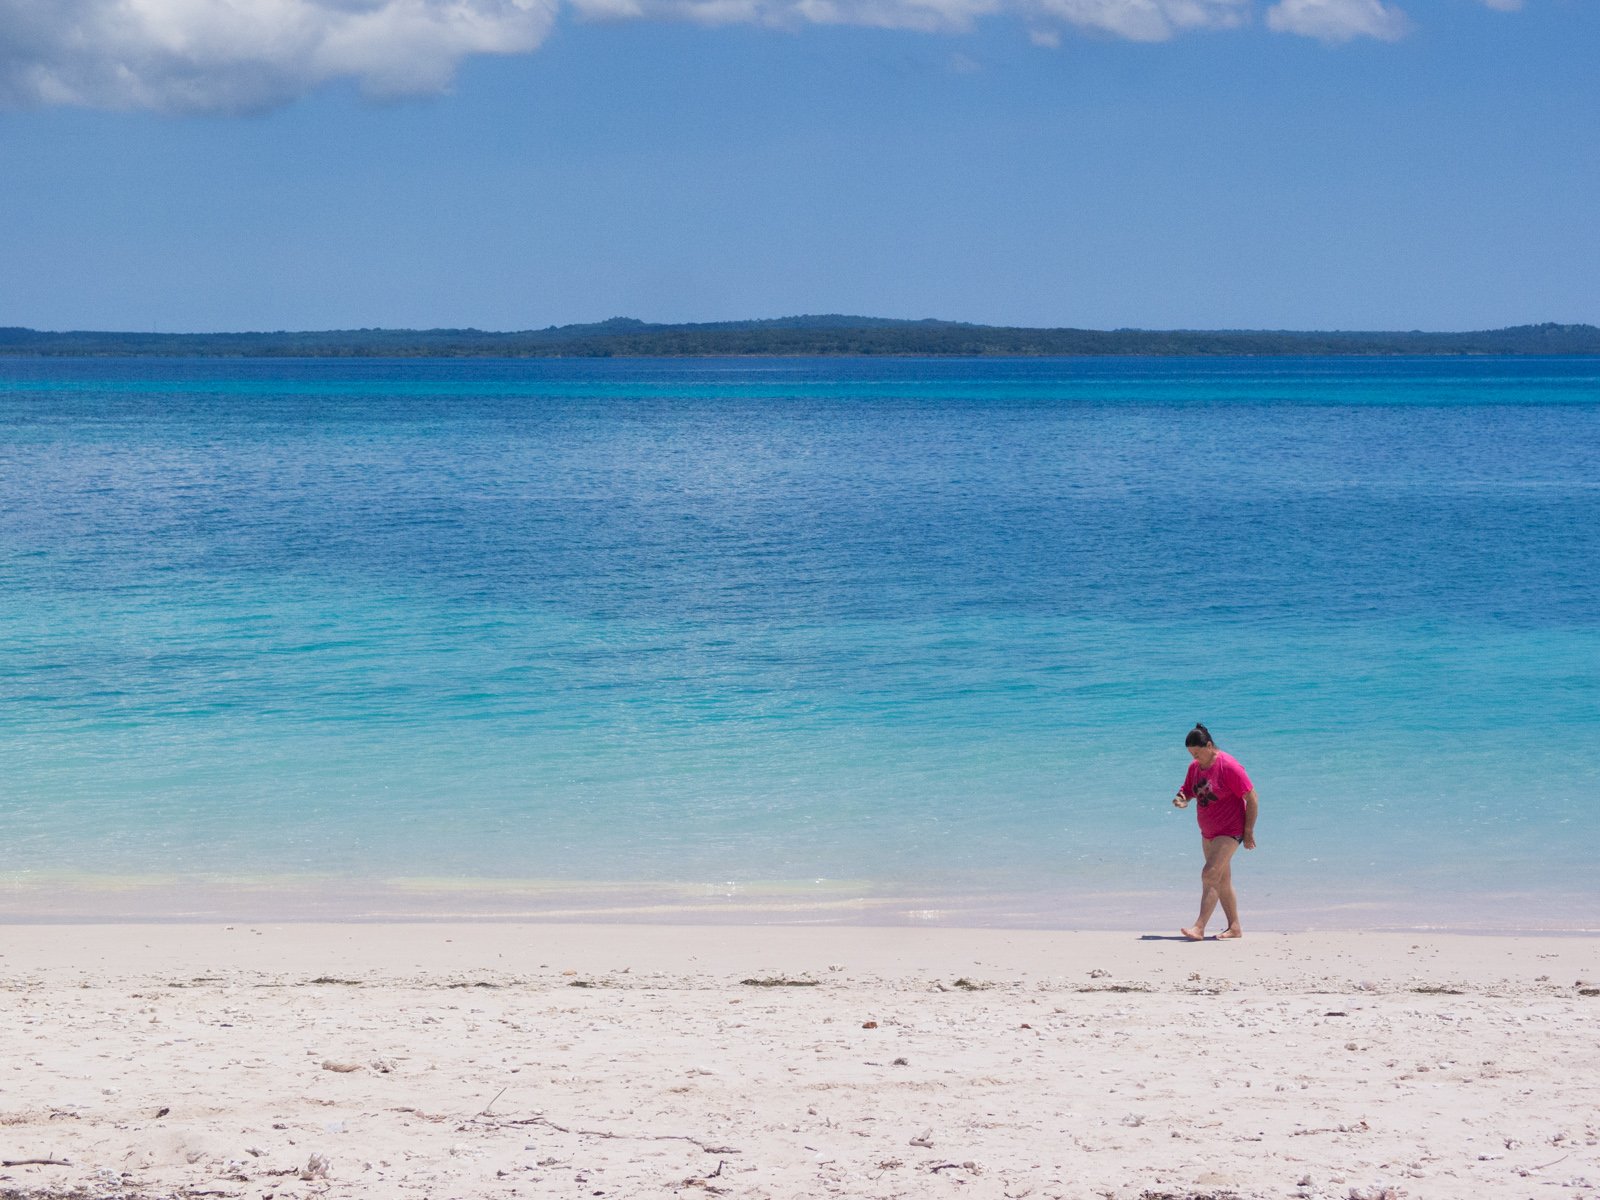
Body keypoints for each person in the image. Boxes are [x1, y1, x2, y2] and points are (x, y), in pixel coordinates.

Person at [1171, 722, 1258, 941]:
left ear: (1209, 746)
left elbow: (1252, 798)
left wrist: (1248, 832)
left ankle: (1199, 927)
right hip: (1208, 832)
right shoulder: (1195, 768)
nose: (1195, 758)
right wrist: (1181, 799)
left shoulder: (1228, 766)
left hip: (1231, 830)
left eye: (1198, 753)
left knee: (1209, 873)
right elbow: (1188, 790)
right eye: (1191, 754)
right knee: (1221, 880)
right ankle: (1235, 927)